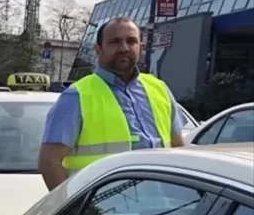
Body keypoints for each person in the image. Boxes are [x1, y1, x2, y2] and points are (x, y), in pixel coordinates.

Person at [38, 17, 185, 191]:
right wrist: (74, 213)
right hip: (104, 211)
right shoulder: (76, 96)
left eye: (131, 41)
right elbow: (49, 161)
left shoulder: (159, 88)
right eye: (115, 42)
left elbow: (178, 149)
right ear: (98, 49)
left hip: (161, 208)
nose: (124, 48)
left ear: (140, 46)